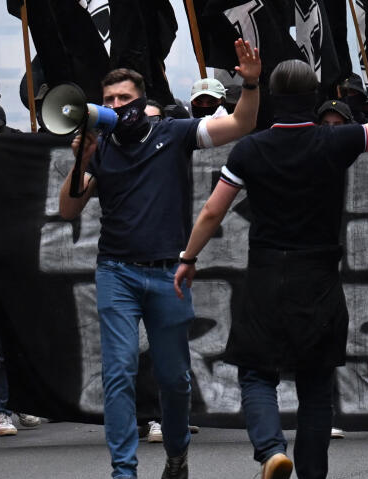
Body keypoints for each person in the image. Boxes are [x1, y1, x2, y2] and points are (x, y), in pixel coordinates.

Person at [175, 46, 368, 479]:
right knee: (316, 386)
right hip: (319, 277)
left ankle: (270, 451)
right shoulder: (336, 140)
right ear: (312, 96)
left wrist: (188, 257)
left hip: (266, 274)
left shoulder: (249, 150)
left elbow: (212, 211)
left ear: (271, 95)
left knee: (256, 374)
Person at [59, 40, 265, 479]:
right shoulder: (103, 147)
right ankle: (124, 471)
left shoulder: (173, 133)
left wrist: (250, 82)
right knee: (118, 373)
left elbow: (243, 123)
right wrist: (80, 160)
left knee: (174, 380)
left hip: (168, 275)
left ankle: (176, 454)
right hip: (116, 271)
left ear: (142, 101)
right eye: (109, 100)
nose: (116, 107)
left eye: (124, 99)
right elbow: (69, 210)